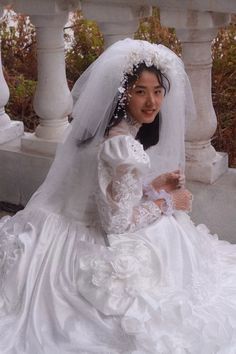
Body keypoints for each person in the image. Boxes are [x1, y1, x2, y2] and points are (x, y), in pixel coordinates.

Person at [0, 38, 236, 353]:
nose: (152, 101)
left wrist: (153, 187)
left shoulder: (105, 134)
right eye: (140, 91)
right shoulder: (122, 148)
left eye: (157, 91)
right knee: (169, 229)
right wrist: (168, 202)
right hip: (79, 242)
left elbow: (99, 191)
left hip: (51, 225)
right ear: (122, 95)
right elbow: (117, 222)